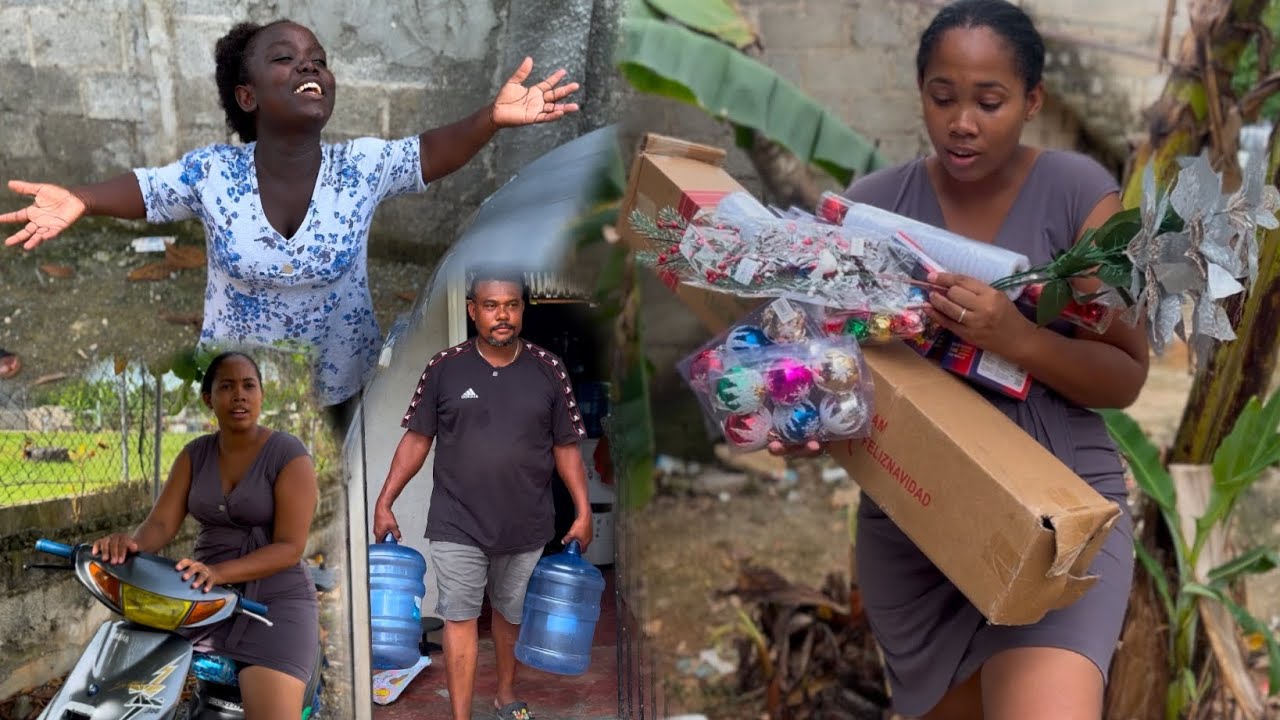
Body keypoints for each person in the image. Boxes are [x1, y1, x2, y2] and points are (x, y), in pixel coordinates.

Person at [771, 1, 1147, 718]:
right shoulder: (872, 212)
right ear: (922, 94)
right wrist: (800, 417)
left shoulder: (1077, 195)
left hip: (1056, 522)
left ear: (1033, 101)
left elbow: (1127, 375)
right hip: (920, 528)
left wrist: (1020, 339)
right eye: (943, 98)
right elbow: (829, 375)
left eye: (990, 101)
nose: (963, 122)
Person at [0, 19, 580, 426]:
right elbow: (146, 190)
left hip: (339, 387)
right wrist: (79, 197)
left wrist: (492, 119)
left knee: (326, 515)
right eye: (285, 57)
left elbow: (432, 151)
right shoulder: (214, 173)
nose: (308, 64)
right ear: (247, 96)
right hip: (239, 387)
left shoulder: (362, 167)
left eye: (319, 60)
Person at [373, 266, 594, 720]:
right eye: (491, 306)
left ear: (522, 309)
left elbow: (566, 447)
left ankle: (504, 693)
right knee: (460, 616)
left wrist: (583, 511)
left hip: (528, 520)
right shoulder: (445, 368)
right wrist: (385, 500)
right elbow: (417, 440)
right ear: (473, 311)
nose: (503, 316)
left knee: (510, 616)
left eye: (511, 306)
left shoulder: (548, 368)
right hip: (458, 519)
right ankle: (460, 716)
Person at [92, 351, 320, 719]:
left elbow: (290, 548)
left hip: (275, 604)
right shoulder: (194, 454)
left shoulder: (288, 454)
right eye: (227, 386)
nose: (239, 395)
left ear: (261, 395)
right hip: (201, 600)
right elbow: (162, 525)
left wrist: (218, 573)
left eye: (249, 386)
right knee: (123, 693)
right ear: (208, 398)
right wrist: (131, 544)